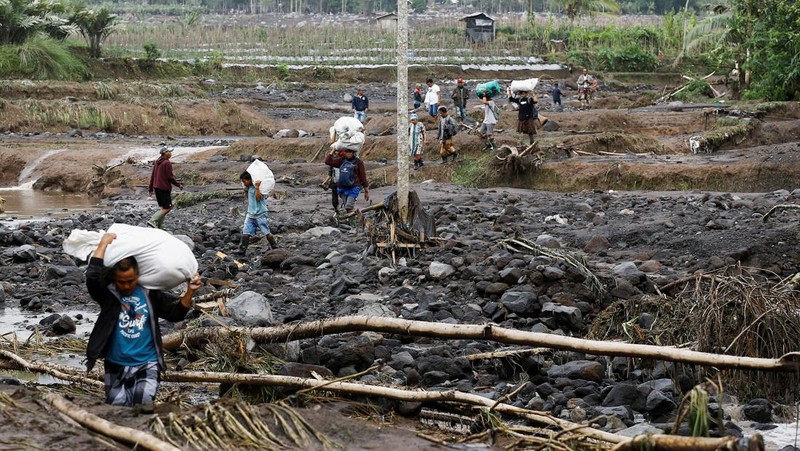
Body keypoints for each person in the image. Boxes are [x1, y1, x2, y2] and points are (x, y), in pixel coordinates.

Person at [86, 233, 201, 410]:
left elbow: (175, 314)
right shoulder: (108, 295)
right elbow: (93, 277)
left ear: (138, 276)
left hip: (147, 363)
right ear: (114, 279)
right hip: (115, 364)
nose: (126, 286)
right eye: (121, 282)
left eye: (130, 281)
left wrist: (190, 292)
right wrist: (103, 244)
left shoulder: (149, 294)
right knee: (116, 409)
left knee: (144, 406)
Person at [239, 171, 278, 254]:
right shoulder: (249, 188)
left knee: (266, 231)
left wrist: (257, 187)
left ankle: (275, 247)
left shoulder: (260, 188)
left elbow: (259, 198)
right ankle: (242, 250)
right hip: (251, 213)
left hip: (260, 213)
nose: (244, 183)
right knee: (246, 232)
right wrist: (245, 189)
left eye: (244, 181)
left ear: (249, 180)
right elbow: (248, 197)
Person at [325, 146, 369, 214]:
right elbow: (328, 162)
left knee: (349, 206)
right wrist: (333, 151)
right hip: (342, 188)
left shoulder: (358, 162)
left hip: (354, 188)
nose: (348, 153)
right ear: (344, 152)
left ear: (353, 152)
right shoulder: (341, 161)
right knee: (347, 209)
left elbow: (363, 176)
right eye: (346, 151)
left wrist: (366, 190)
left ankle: (359, 215)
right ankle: (353, 219)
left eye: (350, 151)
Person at [147, 146, 182, 229]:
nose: (170, 153)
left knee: (163, 207)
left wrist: (150, 188)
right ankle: (153, 220)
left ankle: (160, 226)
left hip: (156, 187)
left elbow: (153, 176)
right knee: (168, 208)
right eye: (169, 152)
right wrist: (178, 184)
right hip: (163, 188)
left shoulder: (157, 162)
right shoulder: (167, 163)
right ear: (165, 153)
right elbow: (170, 177)